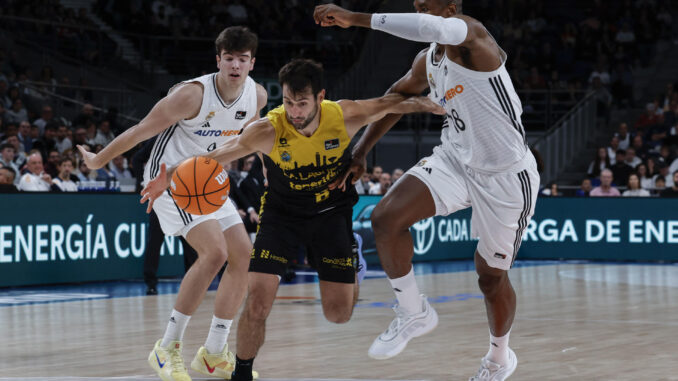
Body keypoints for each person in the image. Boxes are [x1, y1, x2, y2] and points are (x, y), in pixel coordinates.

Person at [141, 58, 445, 381]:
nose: (295, 112)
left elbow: (388, 104)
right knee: (257, 301)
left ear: (320, 97)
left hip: (330, 213)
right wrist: (169, 176)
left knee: (338, 313)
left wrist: (425, 104)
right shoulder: (269, 129)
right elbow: (218, 155)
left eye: (302, 103)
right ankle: (240, 373)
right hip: (281, 215)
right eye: (288, 102)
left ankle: (353, 263)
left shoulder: (343, 116)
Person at [314, 2, 540, 380]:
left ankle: (499, 358)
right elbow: (395, 98)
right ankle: (413, 311)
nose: (419, 8)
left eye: (427, 5)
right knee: (385, 219)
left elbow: (426, 27)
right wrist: (360, 150)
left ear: (450, 8)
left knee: (489, 278)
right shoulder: (427, 61)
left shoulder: (475, 37)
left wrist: (355, 18)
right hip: (455, 158)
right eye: (417, 4)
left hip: (505, 175)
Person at [78, 26, 267, 381]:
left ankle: (213, 353)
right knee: (214, 253)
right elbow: (140, 131)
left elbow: (245, 143)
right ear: (218, 60)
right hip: (168, 179)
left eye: (243, 59)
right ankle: (166, 347)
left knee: (244, 255)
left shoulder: (256, 97)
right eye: (229, 58)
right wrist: (98, 161)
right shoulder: (191, 95)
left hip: (206, 179)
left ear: (252, 63)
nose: (235, 66)